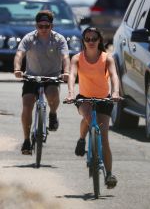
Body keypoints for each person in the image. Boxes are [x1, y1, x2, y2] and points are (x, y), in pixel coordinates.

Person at [65, 27, 121, 189]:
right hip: (84, 98)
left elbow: (114, 76)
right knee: (88, 118)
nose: (90, 42)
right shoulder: (77, 58)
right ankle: (82, 139)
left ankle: (109, 174)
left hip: (104, 99)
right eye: (87, 39)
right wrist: (70, 93)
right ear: (83, 41)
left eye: (93, 39)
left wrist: (116, 92)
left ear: (99, 41)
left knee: (104, 136)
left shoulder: (106, 58)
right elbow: (72, 75)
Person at [14, 10, 70, 155]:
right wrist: (17, 69)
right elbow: (19, 54)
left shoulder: (59, 39)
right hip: (32, 76)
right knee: (27, 106)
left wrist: (66, 72)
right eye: (41, 26)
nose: (44, 29)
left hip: (51, 76)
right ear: (36, 25)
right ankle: (26, 140)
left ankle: (52, 114)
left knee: (52, 95)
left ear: (52, 26)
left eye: (47, 26)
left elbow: (65, 57)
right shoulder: (29, 38)